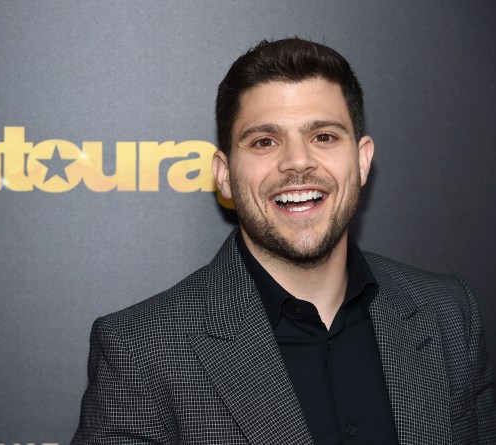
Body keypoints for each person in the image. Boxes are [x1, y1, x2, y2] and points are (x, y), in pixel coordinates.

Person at [72, 38, 495, 444]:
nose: (297, 161)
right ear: (224, 175)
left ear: (362, 161)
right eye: (264, 141)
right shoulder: (141, 350)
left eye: (324, 136)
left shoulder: (448, 316)